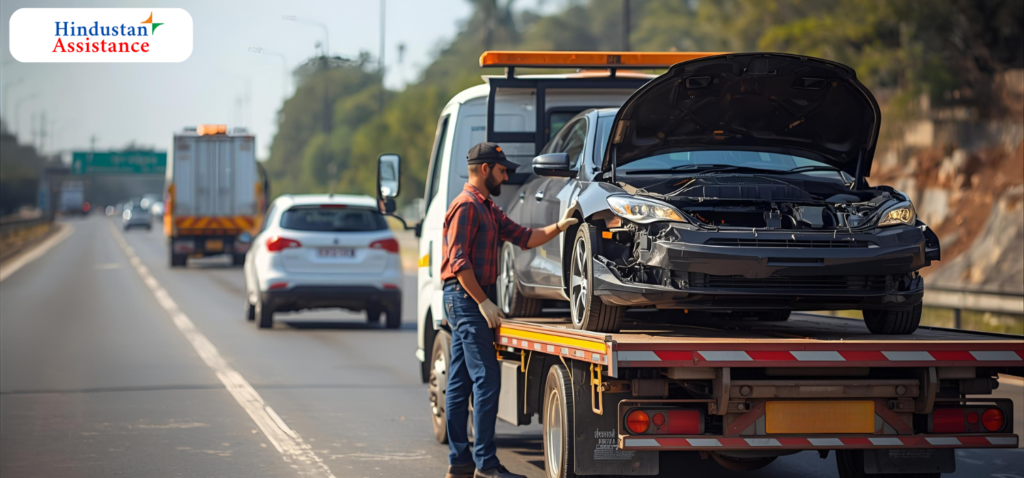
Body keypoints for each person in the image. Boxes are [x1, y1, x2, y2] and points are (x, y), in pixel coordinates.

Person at [441, 142, 577, 478]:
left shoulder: (488, 208)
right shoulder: (467, 207)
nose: (506, 176)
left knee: (459, 383)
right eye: (503, 170)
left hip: (470, 295)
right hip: (465, 295)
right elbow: (459, 262)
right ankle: (486, 464)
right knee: (486, 379)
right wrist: (483, 302)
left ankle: (460, 463)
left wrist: (560, 226)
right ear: (485, 169)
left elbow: (524, 237)